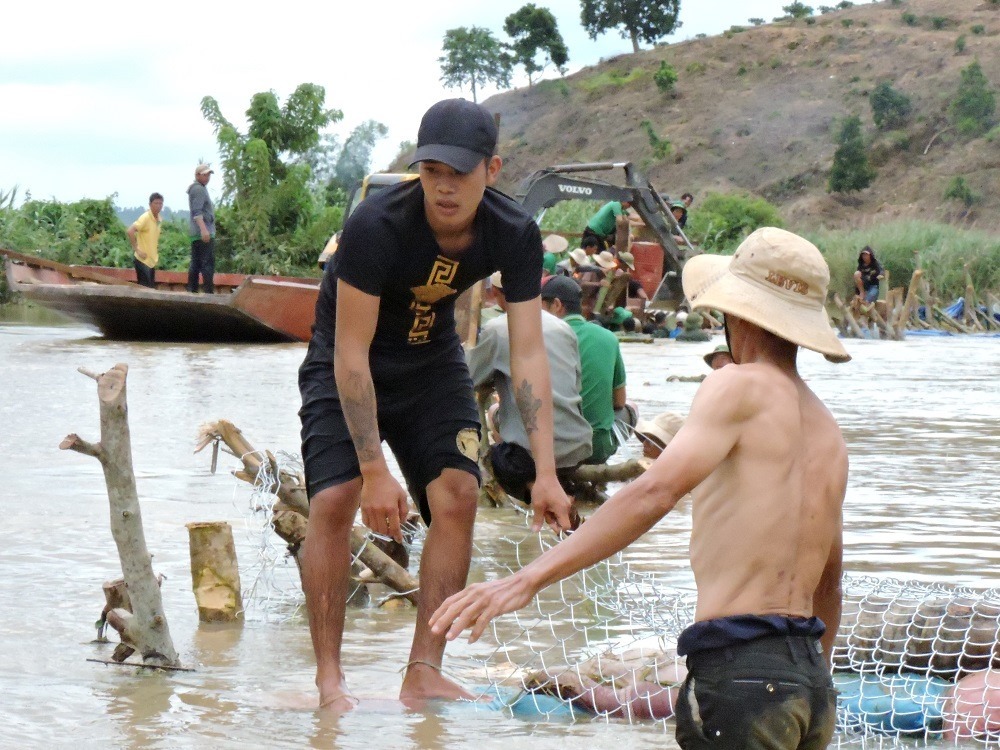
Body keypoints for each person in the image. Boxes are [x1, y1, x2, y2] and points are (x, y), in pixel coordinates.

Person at [431, 226, 851, 750]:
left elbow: (654, 493)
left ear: (736, 314)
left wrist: (526, 580)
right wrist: (816, 677)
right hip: (809, 679)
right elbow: (830, 578)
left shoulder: (736, 384)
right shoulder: (827, 429)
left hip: (742, 670)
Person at [296, 98, 573, 712]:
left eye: (460, 175)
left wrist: (547, 473)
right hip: (345, 360)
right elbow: (349, 355)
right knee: (335, 497)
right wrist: (373, 470)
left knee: (458, 492)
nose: (444, 189)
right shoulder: (376, 224)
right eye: (432, 174)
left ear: (492, 170)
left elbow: (528, 356)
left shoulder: (515, 234)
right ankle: (330, 682)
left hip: (430, 360)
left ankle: (423, 669)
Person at [468, 271, 592, 505]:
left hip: (529, 459)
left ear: (495, 294)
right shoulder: (563, 328)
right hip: (577, 449)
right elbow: (575, 386)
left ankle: (538, 494)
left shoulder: (497, 328)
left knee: (497, 458)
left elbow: (469, 377)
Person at [538, 276, 627, 465]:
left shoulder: (541, 338)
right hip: (598, 447)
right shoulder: (609, 338)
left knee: (497, 411)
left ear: (556, 305)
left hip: (551, 449)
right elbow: (620, 401)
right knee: (631, 409)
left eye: (541, 308)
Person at [187, 163, 216, 293]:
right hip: (202, 233)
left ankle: (192, 290)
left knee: (197, 263)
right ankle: (208, 293)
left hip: (198, 233)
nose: (208, 177)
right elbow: (196, 212)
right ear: (197, 175)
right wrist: (204, 230)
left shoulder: (199, 188)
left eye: (209, 174)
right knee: (207, 264)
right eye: (205, 174)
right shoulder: (198, 189)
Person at [126, 192, 163, 288]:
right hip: (142, 260)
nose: (158, 206)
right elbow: (130, 231)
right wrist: (137, 249)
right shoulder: (145, 217)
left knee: (150, 289)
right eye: (156, 203)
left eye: (160, 203)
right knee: (145, 290)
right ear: (150, 205)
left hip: (151, 261)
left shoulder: (159, 219)